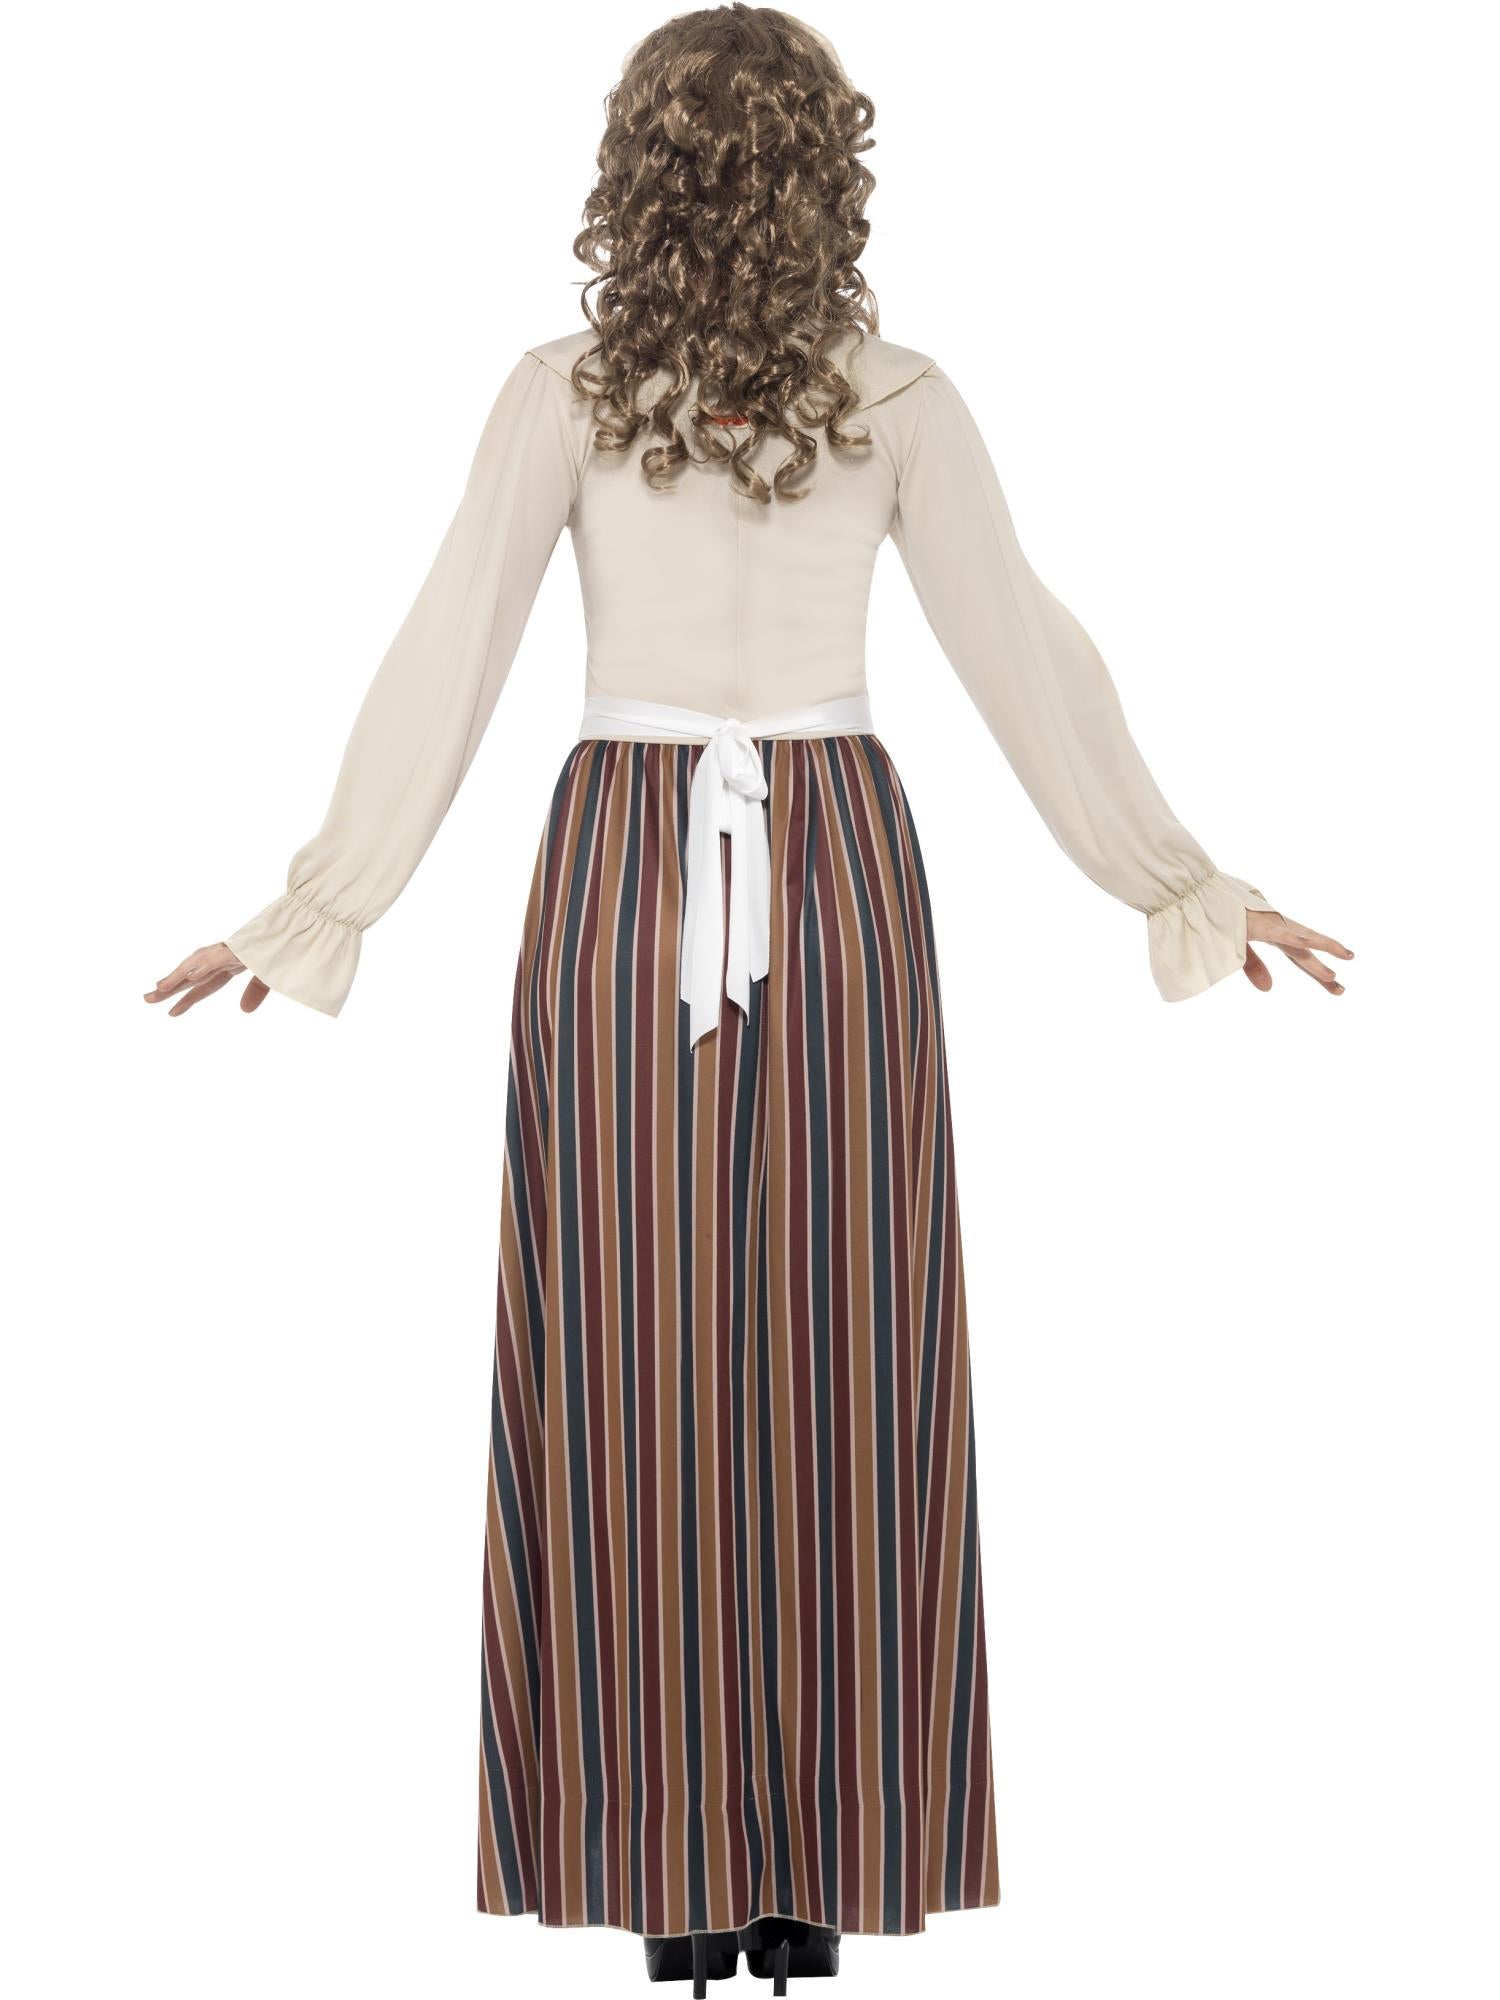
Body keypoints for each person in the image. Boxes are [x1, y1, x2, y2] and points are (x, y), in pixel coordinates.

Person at [144, 6, 1351, 1991]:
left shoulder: (565, 394)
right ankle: (819, 1866)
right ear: (829, 171)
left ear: (636, 168)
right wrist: (1178, 878)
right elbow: (1033, 664)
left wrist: (319, 906)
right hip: (841, 872)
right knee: (851, 1359)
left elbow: (447, 651)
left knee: (629, 1361)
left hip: (623, 877)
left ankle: (674, 1876)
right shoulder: (897, 397)